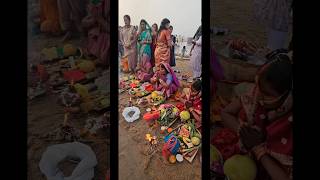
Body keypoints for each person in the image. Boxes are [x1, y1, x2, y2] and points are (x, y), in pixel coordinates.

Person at [221, 51, 293, 180]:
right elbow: (226, 113)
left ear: (287, 95)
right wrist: (241, 130)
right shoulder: (257, 94)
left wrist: (258, 149)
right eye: (258, 86)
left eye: (267, 94)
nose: (258, 96)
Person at [82, 0, 110, 67]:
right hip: (99, 30)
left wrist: (99, 19)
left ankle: (102, 59)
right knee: (92, 33)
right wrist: (92, 20)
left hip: (107, 33)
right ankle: (94, 54)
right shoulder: (94, 3)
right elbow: (86, 21)